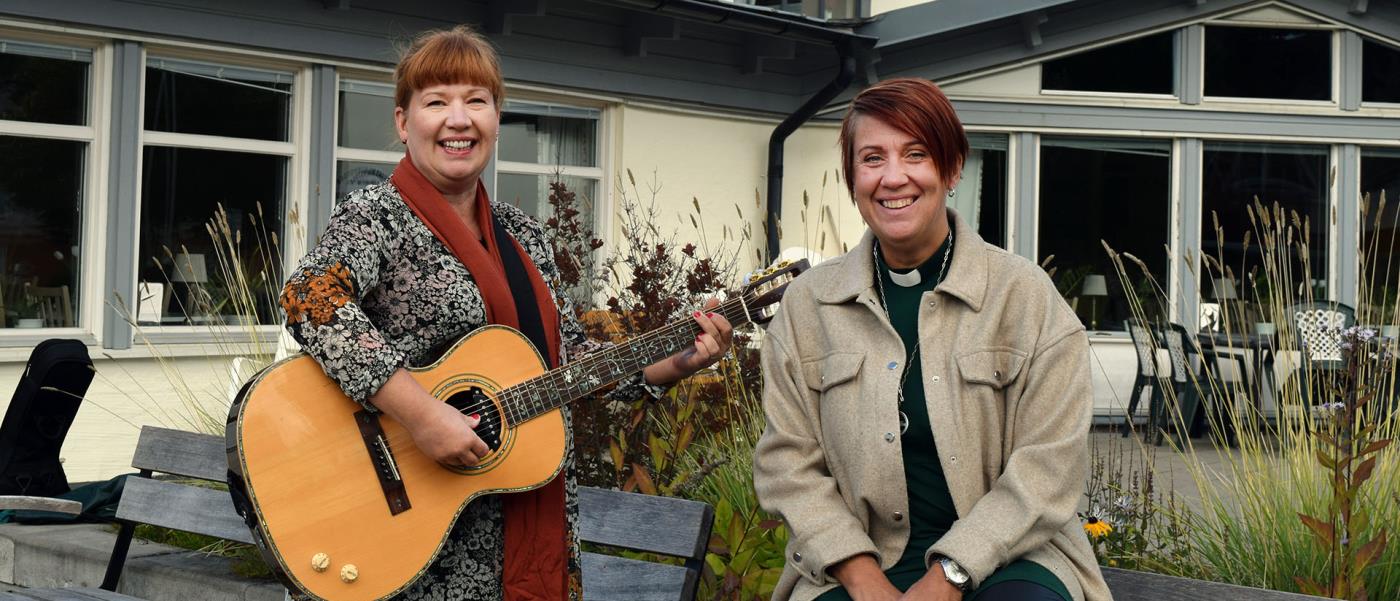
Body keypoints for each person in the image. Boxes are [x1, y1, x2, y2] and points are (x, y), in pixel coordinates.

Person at [278, 25, 732, 601]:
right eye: (436, 101)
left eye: (477, 100)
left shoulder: (525, 237)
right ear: (402, 122)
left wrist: (670, 363)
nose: (459, 119)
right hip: (409, 535)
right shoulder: (378, 216)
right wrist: (420, 413)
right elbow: (310, 299)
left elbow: (563, 367)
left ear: (497, 117)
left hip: (516, 528)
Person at [752, 77, 1110, 601]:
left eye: (915, 154)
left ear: (952, 167)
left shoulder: (1025, 298)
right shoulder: (809, 307)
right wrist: (862, 577)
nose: (893, 178)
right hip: (856, 566)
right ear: (852, 178)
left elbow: (1048, 465)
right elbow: (787, 465)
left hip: (1013, 561)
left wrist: (950, 576)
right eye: (872, 159)